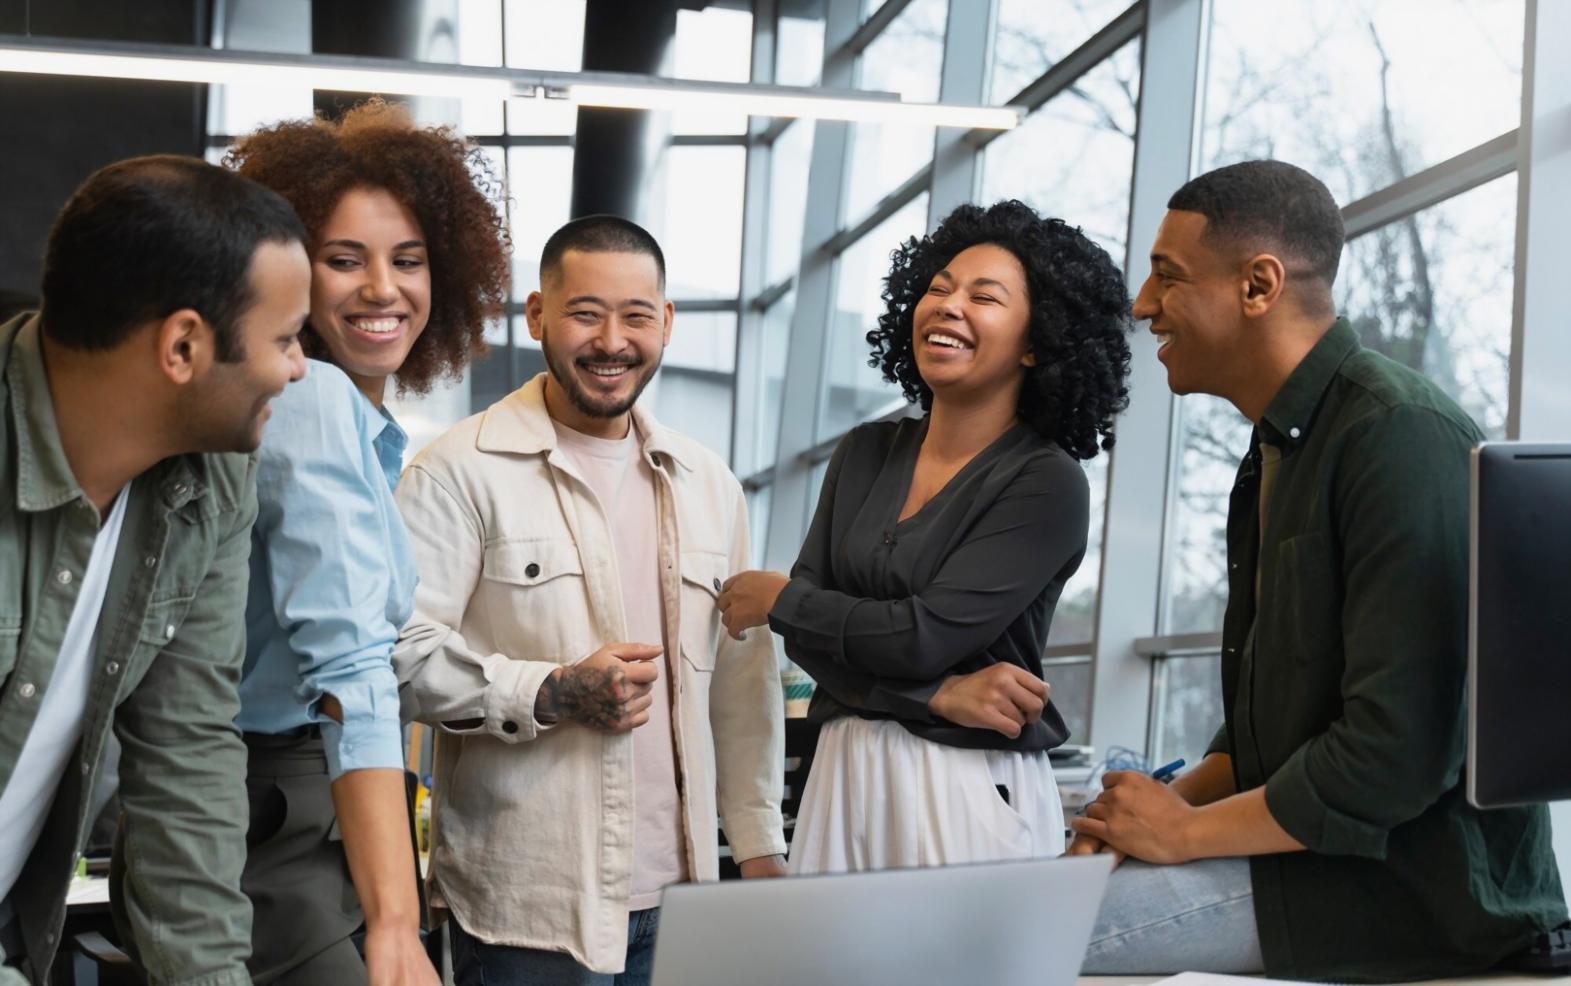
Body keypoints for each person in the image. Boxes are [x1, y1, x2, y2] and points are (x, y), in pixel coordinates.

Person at [1070, 159, 1568, 980]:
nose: (1141, 305)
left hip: (1404, 897)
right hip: (1303, 869)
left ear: (1257, 285)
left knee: (1007, 940)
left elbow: (1392, 753)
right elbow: (1270, 731)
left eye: (1167, 276)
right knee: (1022, 909)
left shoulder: (1395, 434)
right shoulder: (1275, 452)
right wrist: (1147, 812)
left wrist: (1184, 833)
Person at [392, 215, 786, 986]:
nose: (612, 340)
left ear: (665, 323)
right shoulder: (457, 472)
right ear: (538, 314)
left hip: (687, 899)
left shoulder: (708, 482)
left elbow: (743, 686)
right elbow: (399, 657)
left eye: (636, 315)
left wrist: (758, 846)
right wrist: (549, 691)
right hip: (529, 909)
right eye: (584, 313)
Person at [719, 199, 1132, 873]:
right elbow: (816, 639)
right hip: (842, 768)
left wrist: (781, 602)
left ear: (1037, 341)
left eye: (984, 296)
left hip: (965, 782)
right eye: (938, 287)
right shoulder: (865, 450)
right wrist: (935, 694)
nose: (948, 304)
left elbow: (921, 635)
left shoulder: (1045, 482)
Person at [0, 156, 309, 983]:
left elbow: (187, 760)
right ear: (182, 345)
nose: (298, 366)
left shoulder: (210, 478)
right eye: (284, 338)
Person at [222, 100, 510, 986]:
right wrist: (395, 923)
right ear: (283, 275)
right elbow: (348, 669)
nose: (382, 289)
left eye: (409, 261)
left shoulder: (358, 422)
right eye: (342, 260)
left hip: (313, 804)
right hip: (277, 805)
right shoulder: (309, 401)